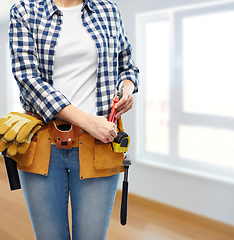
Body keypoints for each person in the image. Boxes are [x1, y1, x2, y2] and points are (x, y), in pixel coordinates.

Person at [8, 0, 139, 239]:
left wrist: (127, 89)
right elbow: (27, 79)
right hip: (43, 144)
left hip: (98, 145)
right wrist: (88, 122)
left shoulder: (108, 9)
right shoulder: (25, 10)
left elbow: (127, 66)